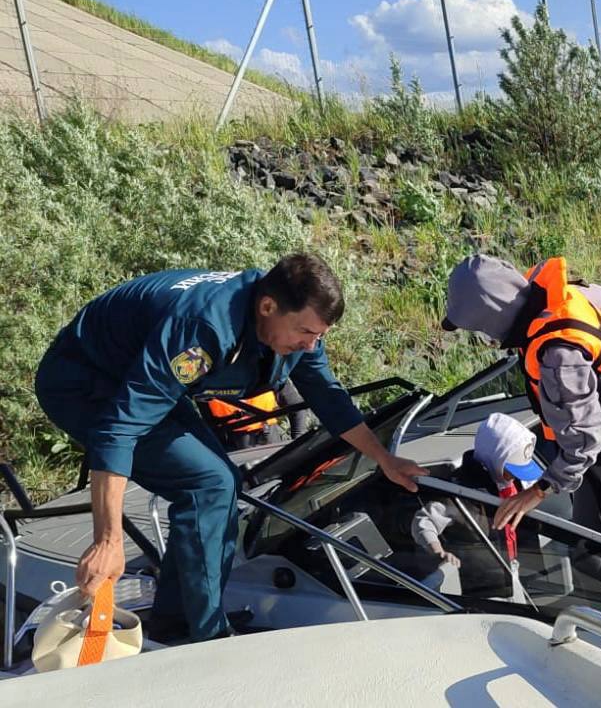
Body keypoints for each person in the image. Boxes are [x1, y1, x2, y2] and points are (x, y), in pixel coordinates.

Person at [34, 254, 428, 642]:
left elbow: (328, 397)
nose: (311, 346)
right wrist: (108, 541)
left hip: (144, 379)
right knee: (209, 484)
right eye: (306, 333)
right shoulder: (203, 327)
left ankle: (176, 620)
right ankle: (207, 637)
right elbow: (118, 430)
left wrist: (384, 460)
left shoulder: (295, 327)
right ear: (268, 306)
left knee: (222, 483)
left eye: (319, 337)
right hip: (85, 382)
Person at [440, 254, 601, 547]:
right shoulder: (554, 297)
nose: (483, 335)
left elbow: (585, 439)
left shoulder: (559, 357)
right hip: (586, 460)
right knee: (582, 549)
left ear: (492, 317)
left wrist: (537, 492)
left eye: (480, 327)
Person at [411, 412, 567, 594]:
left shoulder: (516, 484)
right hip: (489, 587)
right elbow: (423, 521)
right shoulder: (461, 493)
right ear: (494, 458)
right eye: (511, 469)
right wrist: (438, 552)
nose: (516, 476)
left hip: (526, 576)